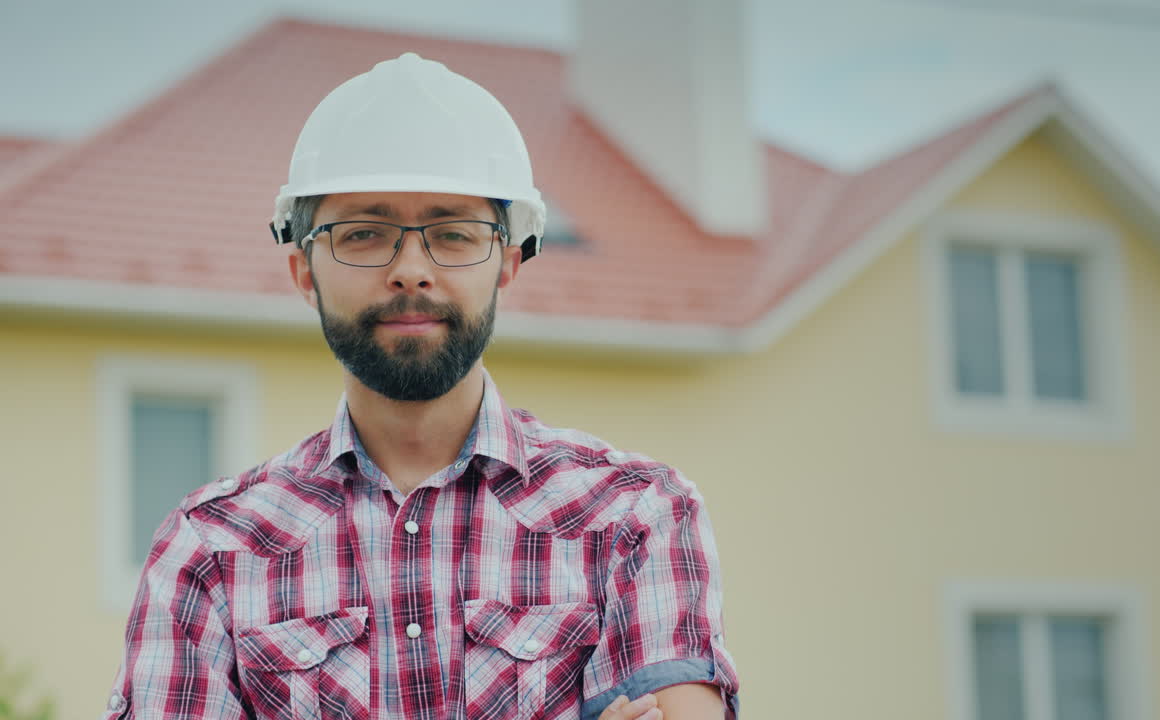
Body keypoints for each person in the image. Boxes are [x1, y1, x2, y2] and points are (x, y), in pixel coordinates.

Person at [102, 53, 738, 720]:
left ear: (508, 262)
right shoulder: (210, 549)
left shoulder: (636, 518)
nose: (410, 269)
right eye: (365, 234)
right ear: (303, 271)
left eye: (453, 234)